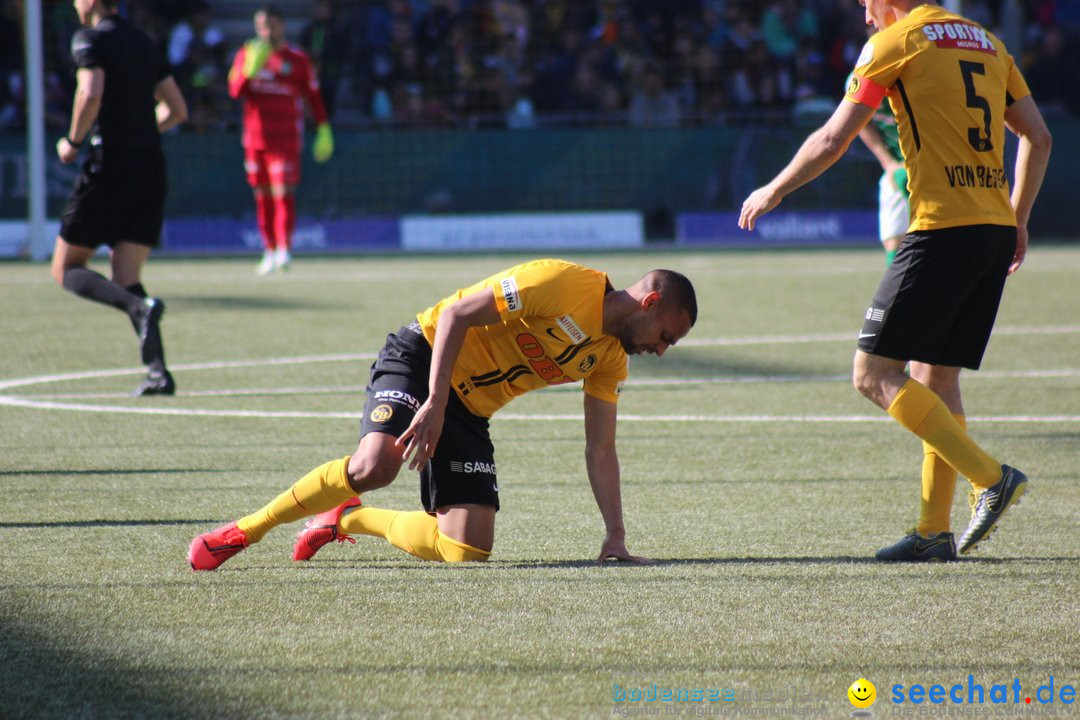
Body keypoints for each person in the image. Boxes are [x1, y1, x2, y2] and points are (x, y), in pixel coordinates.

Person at [738, 0, 1051, 561]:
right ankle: (934, 532)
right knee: (935, 377)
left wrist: (775, 189)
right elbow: (1039, 136)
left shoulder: (895, 42)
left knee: (872, 373)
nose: (864, 17)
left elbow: (834, 138)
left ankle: (990, 477)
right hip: (993, 229)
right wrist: (1019, 216)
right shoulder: (987, 39)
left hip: (942, 227)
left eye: (865, 4)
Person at [189, 259, 698, 570]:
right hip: (424, 355)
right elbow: (455, 314)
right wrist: (433, 402)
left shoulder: (608, 359)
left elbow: (600, 447)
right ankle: (246, 530)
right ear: (649, 302)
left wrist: (615, 534)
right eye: (666, 337)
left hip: (468, 410)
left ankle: (349, 517)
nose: (663, 350)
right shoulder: (562, 283)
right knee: (376, 466)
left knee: (467, 552)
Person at [51, 0, 188, 397]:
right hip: (151, 168)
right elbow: (177, 109)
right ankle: (159, 372)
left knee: (65, 268)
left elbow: (89, 92)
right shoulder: (145, 42)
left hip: (109, 166)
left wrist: (73, 142)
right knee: (127, 276)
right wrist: (142, 133)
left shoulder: (89, 39)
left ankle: (139, 309)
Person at [228, 5, 333, 276]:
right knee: (262, 196)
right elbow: (235, 92)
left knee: (283, 193)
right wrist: (250, 69)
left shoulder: (297, 59)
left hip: (285, 139)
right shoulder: (246, 55)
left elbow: (313, 95)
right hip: (255, 140)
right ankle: (269, 250)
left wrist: (323, 127)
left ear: (281, 26)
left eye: (271, 25)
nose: (267, 31)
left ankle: (285, 249)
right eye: (262, 26)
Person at [850, 72, 908, 265]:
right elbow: (860, 123)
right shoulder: (859, 80)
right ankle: (899, 293)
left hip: (930, 164)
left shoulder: (913, 74)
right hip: (897, 166)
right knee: (894, 241)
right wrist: (888, 163)